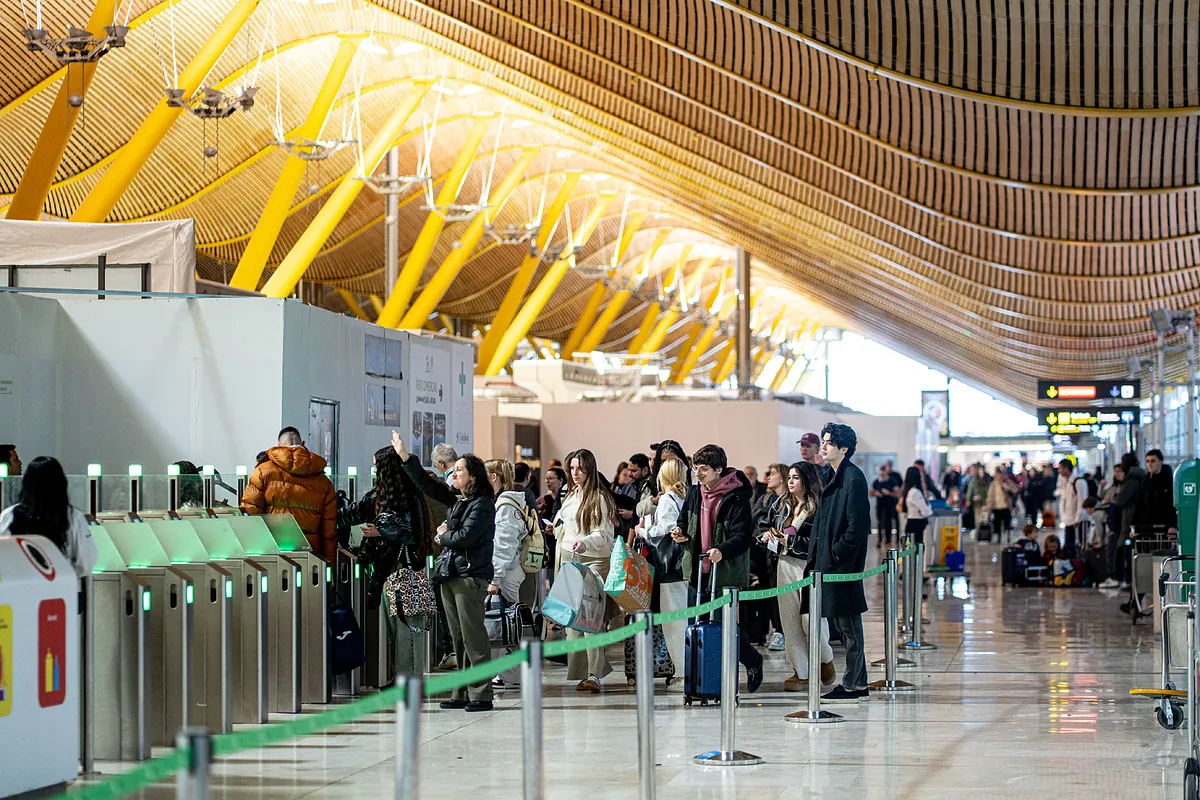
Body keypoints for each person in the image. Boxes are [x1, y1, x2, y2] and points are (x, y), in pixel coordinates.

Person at [392, 430, 495, 711]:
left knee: (473, 636)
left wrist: (442, 535)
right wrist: (405, 457)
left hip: (470, 575)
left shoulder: (483, 504)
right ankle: (462, 691)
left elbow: (465, 537)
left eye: (460, 470)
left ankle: (482, 693)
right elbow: (427, 485)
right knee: (458, 636)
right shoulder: (458, 500)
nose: (454, 474)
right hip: (451, 574)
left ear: (473, 476)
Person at [670, 444, 765, 693]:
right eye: (695, 468)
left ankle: (752, 660)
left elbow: (743, 535)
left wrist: (722, 550)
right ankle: (702, 679)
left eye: (703, 469)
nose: (698, 474)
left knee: (725, 628)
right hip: (697, 570)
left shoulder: (736, 497)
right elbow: (683, 520)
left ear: (719, 469)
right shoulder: (694, 493)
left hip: (724, 570)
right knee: (696, 624)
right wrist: (679, 532)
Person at [342, 446, 437, 676]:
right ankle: (404, 680)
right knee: (400, 632)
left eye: (377, 465)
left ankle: (407, 683)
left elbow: (412, 533)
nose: (375, 470)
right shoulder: (385, 495)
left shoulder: (408, 496)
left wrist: (382, 531)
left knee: (406, 633)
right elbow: (353, 512)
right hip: (391, 575)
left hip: (403, 572)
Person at [810, 423, 872, 704]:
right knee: (845, 625)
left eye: (829, 442)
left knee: (849, 626)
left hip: (842, 565)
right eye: (823, 441)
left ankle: (853, 684)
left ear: (843, 448)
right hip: (831, 563)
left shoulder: (853, 479)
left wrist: (836, 552)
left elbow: (858, 527)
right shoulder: (832, 475)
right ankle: (856, 681)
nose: (823, 447)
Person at [765, 461, 835, 692]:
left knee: (811, 620)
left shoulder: (819, 507)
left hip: (808, 568)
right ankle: (801, 671)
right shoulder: (781, 505)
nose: (791, 481)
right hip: (784, 565)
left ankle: (825, 658)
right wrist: (770, 538)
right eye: (790, 477)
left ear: (806, 480)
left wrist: (790, 541)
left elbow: (819, 542)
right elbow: (770, 527)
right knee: (790, 620)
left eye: (795, 477)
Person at [554, 449, 616, 692]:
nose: (575, 473)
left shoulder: (599, 497)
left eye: (580, 468)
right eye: (572, 468)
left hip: (593, 561)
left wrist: (585, 542)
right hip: (570, 560)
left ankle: (593, 674)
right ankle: (584, 672)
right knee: (572, 623)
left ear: (590, 469)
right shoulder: (570, 495)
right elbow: (566, 524)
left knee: (590, 621)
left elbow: (604, 535)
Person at [241, 427, 338, 563]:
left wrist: (252, 558)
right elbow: (329, 532)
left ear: (280, 446)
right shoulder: (324, 483)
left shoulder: (262, 472)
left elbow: (250, 517)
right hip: (310, 558)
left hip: (272, 555)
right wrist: (330, 566)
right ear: (303, 443)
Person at [0, 456, 97, 577]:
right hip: (61, 588)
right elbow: (86, 562)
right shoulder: (72, 516)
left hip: (20, 587)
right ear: (61, 483)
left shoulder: (9, 515)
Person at [637, 457, 690, 676]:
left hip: (669, 567)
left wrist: (642, 532)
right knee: (682, 616)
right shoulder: (684, 496)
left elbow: (665, 530)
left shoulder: (668, 498)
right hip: (682, 566)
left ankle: (680, 672)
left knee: (673, 620)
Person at [485, 459, 529, 605]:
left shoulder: (506, 507)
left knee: (505, 623)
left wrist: (495, 579)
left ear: (493, 477)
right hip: (505, 572)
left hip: (506, 575)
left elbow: (504, 545)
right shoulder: (502, 503)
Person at [637, 440, 690, 518]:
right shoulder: (651, 482)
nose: (667, 464)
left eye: (671, 460)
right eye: (663, 461)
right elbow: (639, 510)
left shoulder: (692, 480)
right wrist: (654, 501)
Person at [1055, 459, 1089, 557]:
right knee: (1069, 548)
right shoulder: (1067, 482)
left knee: (1079, 547)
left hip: (1077, 522)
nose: (1058, 471)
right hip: (1068, 520)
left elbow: (1082, 502)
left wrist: (1078, 519)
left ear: (1066, 468)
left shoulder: (1079, 482)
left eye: (1060, 468)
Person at [1140, 449, 1179, 535]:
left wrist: (1173, 525)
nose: (1149, 464)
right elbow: (1141, 505)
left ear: (1161, 462)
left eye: (1153, 461)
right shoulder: (1145, 481)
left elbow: (1173, 504)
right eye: (1147, 461)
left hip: (1164, 526)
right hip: (1147, 527)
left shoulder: (1169, 481)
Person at [870, 464, 901, 548]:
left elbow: (896, 493)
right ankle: (880, 540)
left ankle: (888, 540)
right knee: (880, 523)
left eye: (883, 473)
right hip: (880, 505)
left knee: (888, 523)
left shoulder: (892, 481)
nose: (882, 475)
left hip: (889, 506)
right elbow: (871, 492)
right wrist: (876, 493)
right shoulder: (876, 481)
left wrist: (889, 493)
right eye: (881, 473)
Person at [901, 465, 933, 545]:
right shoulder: (915, 492)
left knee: (913, 552)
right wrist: (928, 507)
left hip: (912, 524)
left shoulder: (909, 490)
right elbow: (926, 511)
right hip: (916, 525)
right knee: (916, 552)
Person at [986, 466, 1018, 538]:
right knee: (996, 523)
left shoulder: (1008, 482)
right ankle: (998, 537)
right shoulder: (993, 484)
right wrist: (988, 506)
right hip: (996, 507)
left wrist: (1005, 486)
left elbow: (1015, 490)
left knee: (1007, 523)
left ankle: (1007, 536)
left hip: (1006, 506)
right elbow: (990, 496)